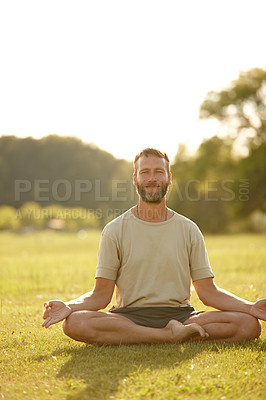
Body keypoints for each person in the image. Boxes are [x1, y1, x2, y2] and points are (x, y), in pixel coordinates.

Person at [42, 148, 265, 345]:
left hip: (181, 315)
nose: (152, 178)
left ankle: (172, 331)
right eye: (145, 172)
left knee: (248, 324)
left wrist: (250, 307)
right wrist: (70, 306)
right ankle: (169, 336)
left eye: (158, 172)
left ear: (169, 178)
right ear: (135, 178)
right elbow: (100, 296)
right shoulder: (114, 230)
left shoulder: (189, 229)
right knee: (75, 322)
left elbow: (208, 292)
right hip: (129, 316)